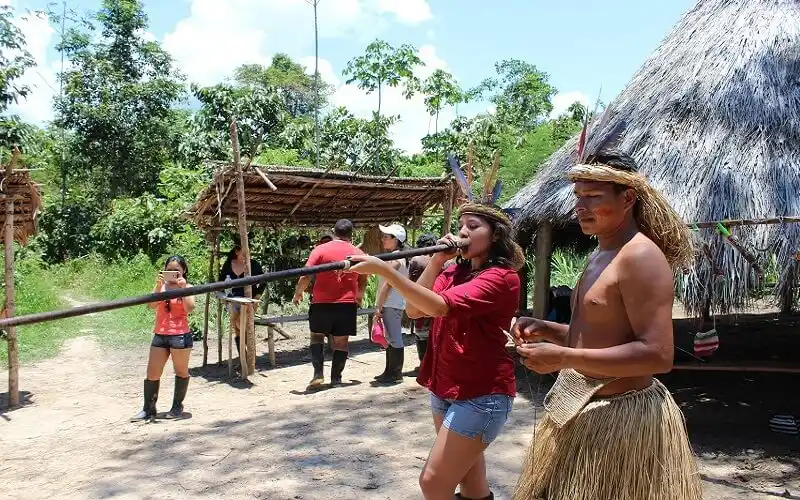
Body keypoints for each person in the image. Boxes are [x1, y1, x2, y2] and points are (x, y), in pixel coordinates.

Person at [512, 148, 702, 500]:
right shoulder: (601, 254)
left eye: (592, 197)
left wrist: (562, 358)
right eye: (578, 197)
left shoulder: (640, 256)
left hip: (622, 419)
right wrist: (548, 330)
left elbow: (657, 355)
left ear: (627, 197)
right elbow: (598, 336)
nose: (579, 207)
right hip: (581, 410)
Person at [348, 203, 524, 500]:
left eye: (473, 225)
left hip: (482, 394)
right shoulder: (453, 271)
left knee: (432, 483)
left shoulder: (502, 278)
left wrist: (383, 270)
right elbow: (416, 310)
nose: (463, 231)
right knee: (472, 484)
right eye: (461, 225)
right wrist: (436, 261)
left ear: (495, 235)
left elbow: (440, 306)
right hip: (445, 387)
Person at [293, 219, 367, 388]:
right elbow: (365, 275)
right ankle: (336, 379)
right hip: (347, 304)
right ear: (351, 234)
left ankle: (318, 374)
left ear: (334, 232)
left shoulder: (320, 250)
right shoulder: (358, 252)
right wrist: (359, 295)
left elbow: (306, 275)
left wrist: (298, 293)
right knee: (341, 342)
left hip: (321, 303)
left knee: (317, 337)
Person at [131, 255, 195, 422]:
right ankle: (148, 409)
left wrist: (183, 289)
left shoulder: (188, 286)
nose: (173, 273)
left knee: (181, 371)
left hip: (180, 334)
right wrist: (158, 287)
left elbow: (190, 308)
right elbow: (151, 305)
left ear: (184, 271)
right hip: (160, 334)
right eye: (170, 270)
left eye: (177, 271)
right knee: (152, 373)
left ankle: (177, 407)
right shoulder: (161, 287)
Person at [372, 223, 409, 384]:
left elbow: (388, 284)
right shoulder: (396, 257)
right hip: (390, 302)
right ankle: (390, 371)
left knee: (394, 338)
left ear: (396, 240)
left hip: (391, 303)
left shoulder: (397, 259)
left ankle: (395, 373)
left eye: (386, 237)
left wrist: (378, 305)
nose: (383, 239)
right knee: (390, 337)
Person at [219, 244, 265, 357]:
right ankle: (243, 357)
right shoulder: (228, 264)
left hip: (249, 300)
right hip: (232, 299)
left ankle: (249, 356)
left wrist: (257, 296)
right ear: (236, 251)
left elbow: (264, 281)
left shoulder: (254, 264)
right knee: (237, 328)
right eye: (244, 249)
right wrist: (223, 297)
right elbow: (220, 282)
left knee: (245, 325)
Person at [407, 233, 439, 371]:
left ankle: (424, 365)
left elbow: (410, 282)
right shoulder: (443, 260)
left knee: (421, 335)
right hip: (438, 301)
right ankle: (434, 364)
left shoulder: (416, 260)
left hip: (420, 301)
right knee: (435, 334)